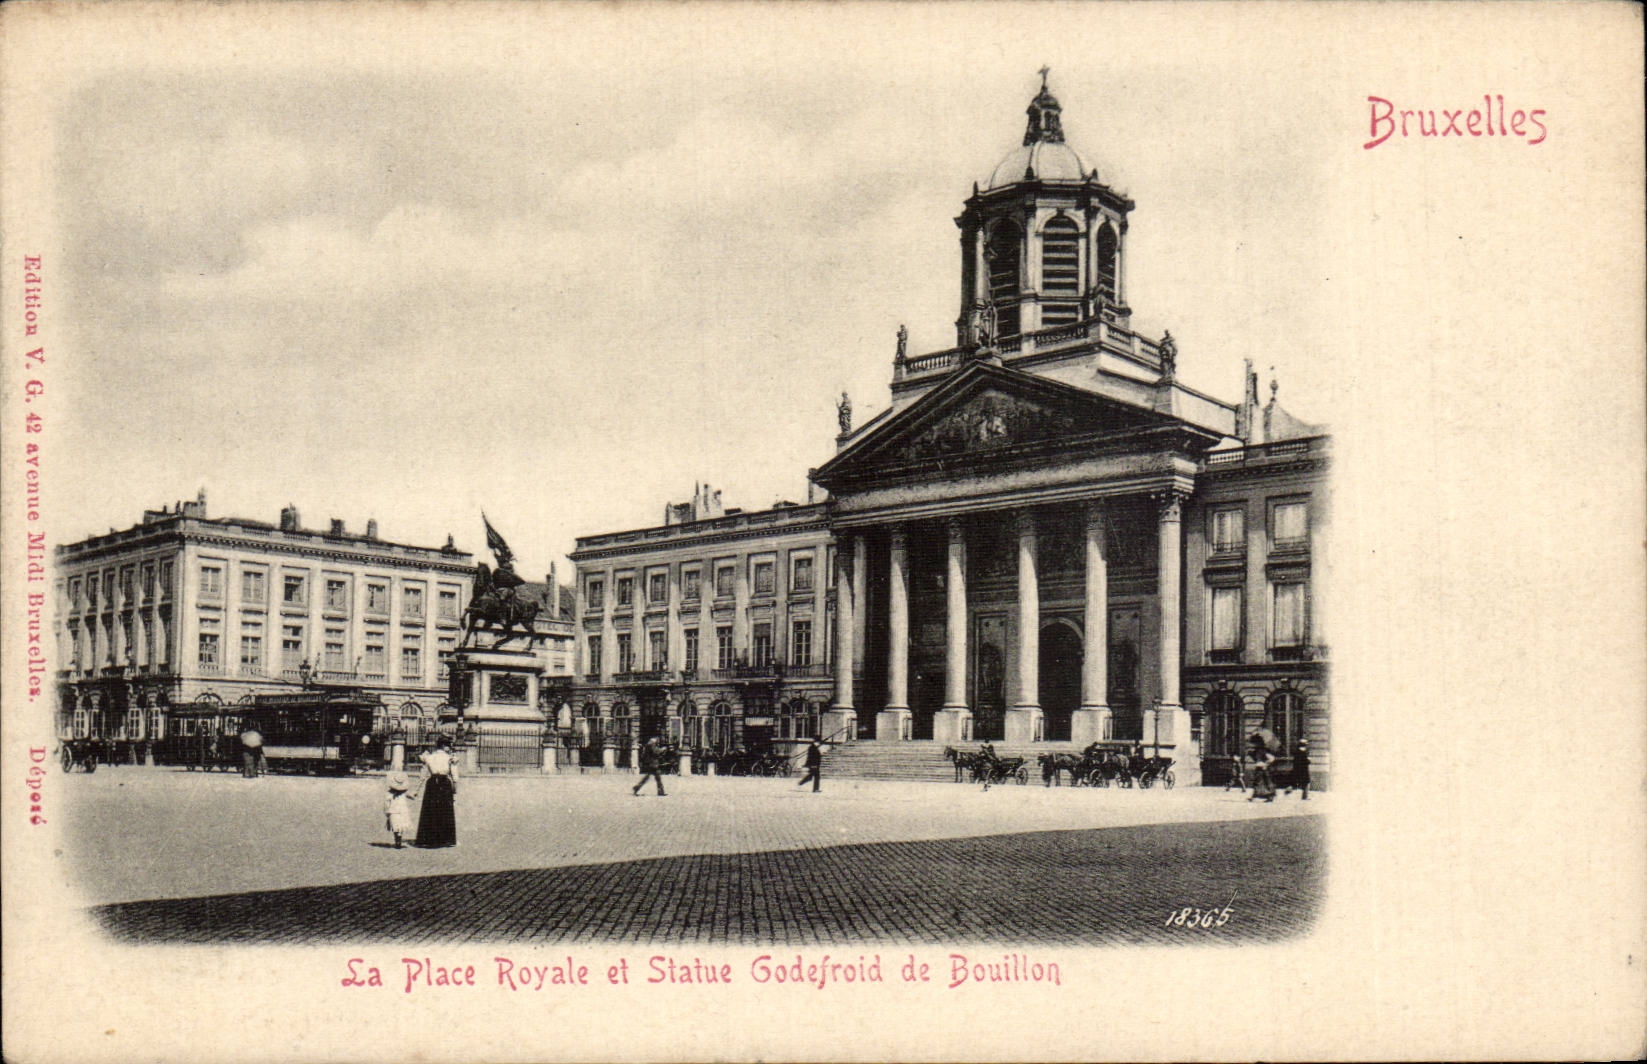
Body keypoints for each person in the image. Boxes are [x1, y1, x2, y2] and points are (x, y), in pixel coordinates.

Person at [414, 737, 459, 847]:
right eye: (448, 746)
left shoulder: (429, 757)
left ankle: (427, 839)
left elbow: (422, 775)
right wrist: (454, 791)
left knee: (430, 810)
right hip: (445, 784)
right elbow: (455, 777)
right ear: (444, 746)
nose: (449, 748)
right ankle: (446, 840)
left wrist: (416, 791)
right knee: (445, 811)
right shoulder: (450, 758)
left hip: (432, 784)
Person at [384, 771, 414, 849]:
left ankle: (397, 839)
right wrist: (413, 795)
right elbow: (410, 796)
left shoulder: (390, 793)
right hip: (402, 810)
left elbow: (387, 802)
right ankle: (399, 839)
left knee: (396, 825)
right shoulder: (403, 793)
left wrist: (386, 811)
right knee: (400, 825)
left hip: (393, 810)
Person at [1248, 735, 1276, 803]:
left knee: (1264, 783)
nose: (1252, 745)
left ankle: (1269, 797)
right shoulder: (1257, 750)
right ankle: (1254, 796)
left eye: (1253, 743)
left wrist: (1265, 764)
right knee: (1258, 782)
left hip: (1263, 770)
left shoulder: (1263, 750)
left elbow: (1271, 758)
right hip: (1259, 769)